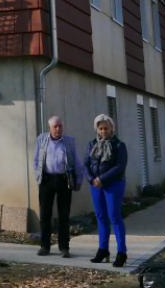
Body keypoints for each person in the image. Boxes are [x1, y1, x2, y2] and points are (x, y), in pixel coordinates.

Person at [32, 115, 81, 257]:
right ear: (50, 128)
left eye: (60, 126)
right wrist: (38, 176)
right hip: (46, 180)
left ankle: (64, 247)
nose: (58, 129)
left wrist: (78, 180)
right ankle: (45, 247)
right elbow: (36, 160)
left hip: (63, 179)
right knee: (45, 214)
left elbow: (76, 161)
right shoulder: (42, 139)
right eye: (55, 126)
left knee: (64, 215)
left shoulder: (69, 142)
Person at [84, 113, 129, 267]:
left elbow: (120, 166)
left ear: (111, 128)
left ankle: (122, 252)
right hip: (95, 186)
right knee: (101, 217)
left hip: (113, 185)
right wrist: (91, 179)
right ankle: (103, 249)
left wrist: (102, 179)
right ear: (97, 129)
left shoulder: (119, 145)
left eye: (106, 128)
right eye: (100, 128)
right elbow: (86, 164)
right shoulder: (92, 144)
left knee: (114, 217)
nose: (103, 131)